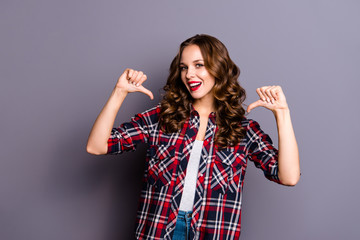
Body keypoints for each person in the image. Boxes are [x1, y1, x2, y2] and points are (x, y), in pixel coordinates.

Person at [86, 34, 300, 240]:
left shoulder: (242, 129)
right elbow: (97, 146)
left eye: (199, 65)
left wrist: (282, 113)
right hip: (159, 231)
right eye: (184, 67)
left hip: (214, 231)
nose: (189, 74)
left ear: (219, 68)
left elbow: (288, 177)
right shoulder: (162, 117)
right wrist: (119, 92)